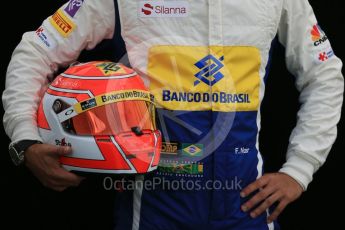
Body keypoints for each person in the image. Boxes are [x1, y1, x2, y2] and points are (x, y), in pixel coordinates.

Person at [3, 0, 343, 229]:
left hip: (247, 208)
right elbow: (37, 49)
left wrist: (300, 169)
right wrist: (25, 139)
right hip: (152, 209)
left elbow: (324, 73)